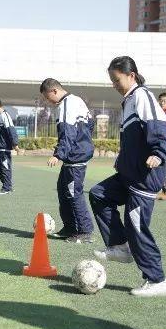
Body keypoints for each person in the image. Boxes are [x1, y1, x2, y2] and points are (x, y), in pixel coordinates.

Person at [89, 56, 166, 297]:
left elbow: (159, 127)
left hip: (145, 176)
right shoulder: (129, 101)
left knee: (137, 225)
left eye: (117, 79)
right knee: (99, 194)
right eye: (112, 81)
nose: (114, 84)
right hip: (129, 173)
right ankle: (120, 245)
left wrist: (158, 152)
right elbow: (133, 138)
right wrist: (122, 158)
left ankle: (157, 280)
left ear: (131, 76)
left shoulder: (143, 96)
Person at [40, 78, 95, 244]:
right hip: (76, 154)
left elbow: (68, 132)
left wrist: (58, 154)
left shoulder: (66, 104)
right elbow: (90, 125)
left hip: (75, 157)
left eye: (47, 97)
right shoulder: (78, 100)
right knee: (63, 190)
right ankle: (70, 228)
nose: (48, 101)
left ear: (54, 91)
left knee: (73, 193)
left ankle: (85, 231)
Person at [0, 97, 19, 194]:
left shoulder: (5, 115)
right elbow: (1, 132)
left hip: (5, 149)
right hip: (0, 148)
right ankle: (7, 185)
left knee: (5, 167)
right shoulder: (0, 116)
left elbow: (11, 130)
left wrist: (15, 144)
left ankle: (6, 188)